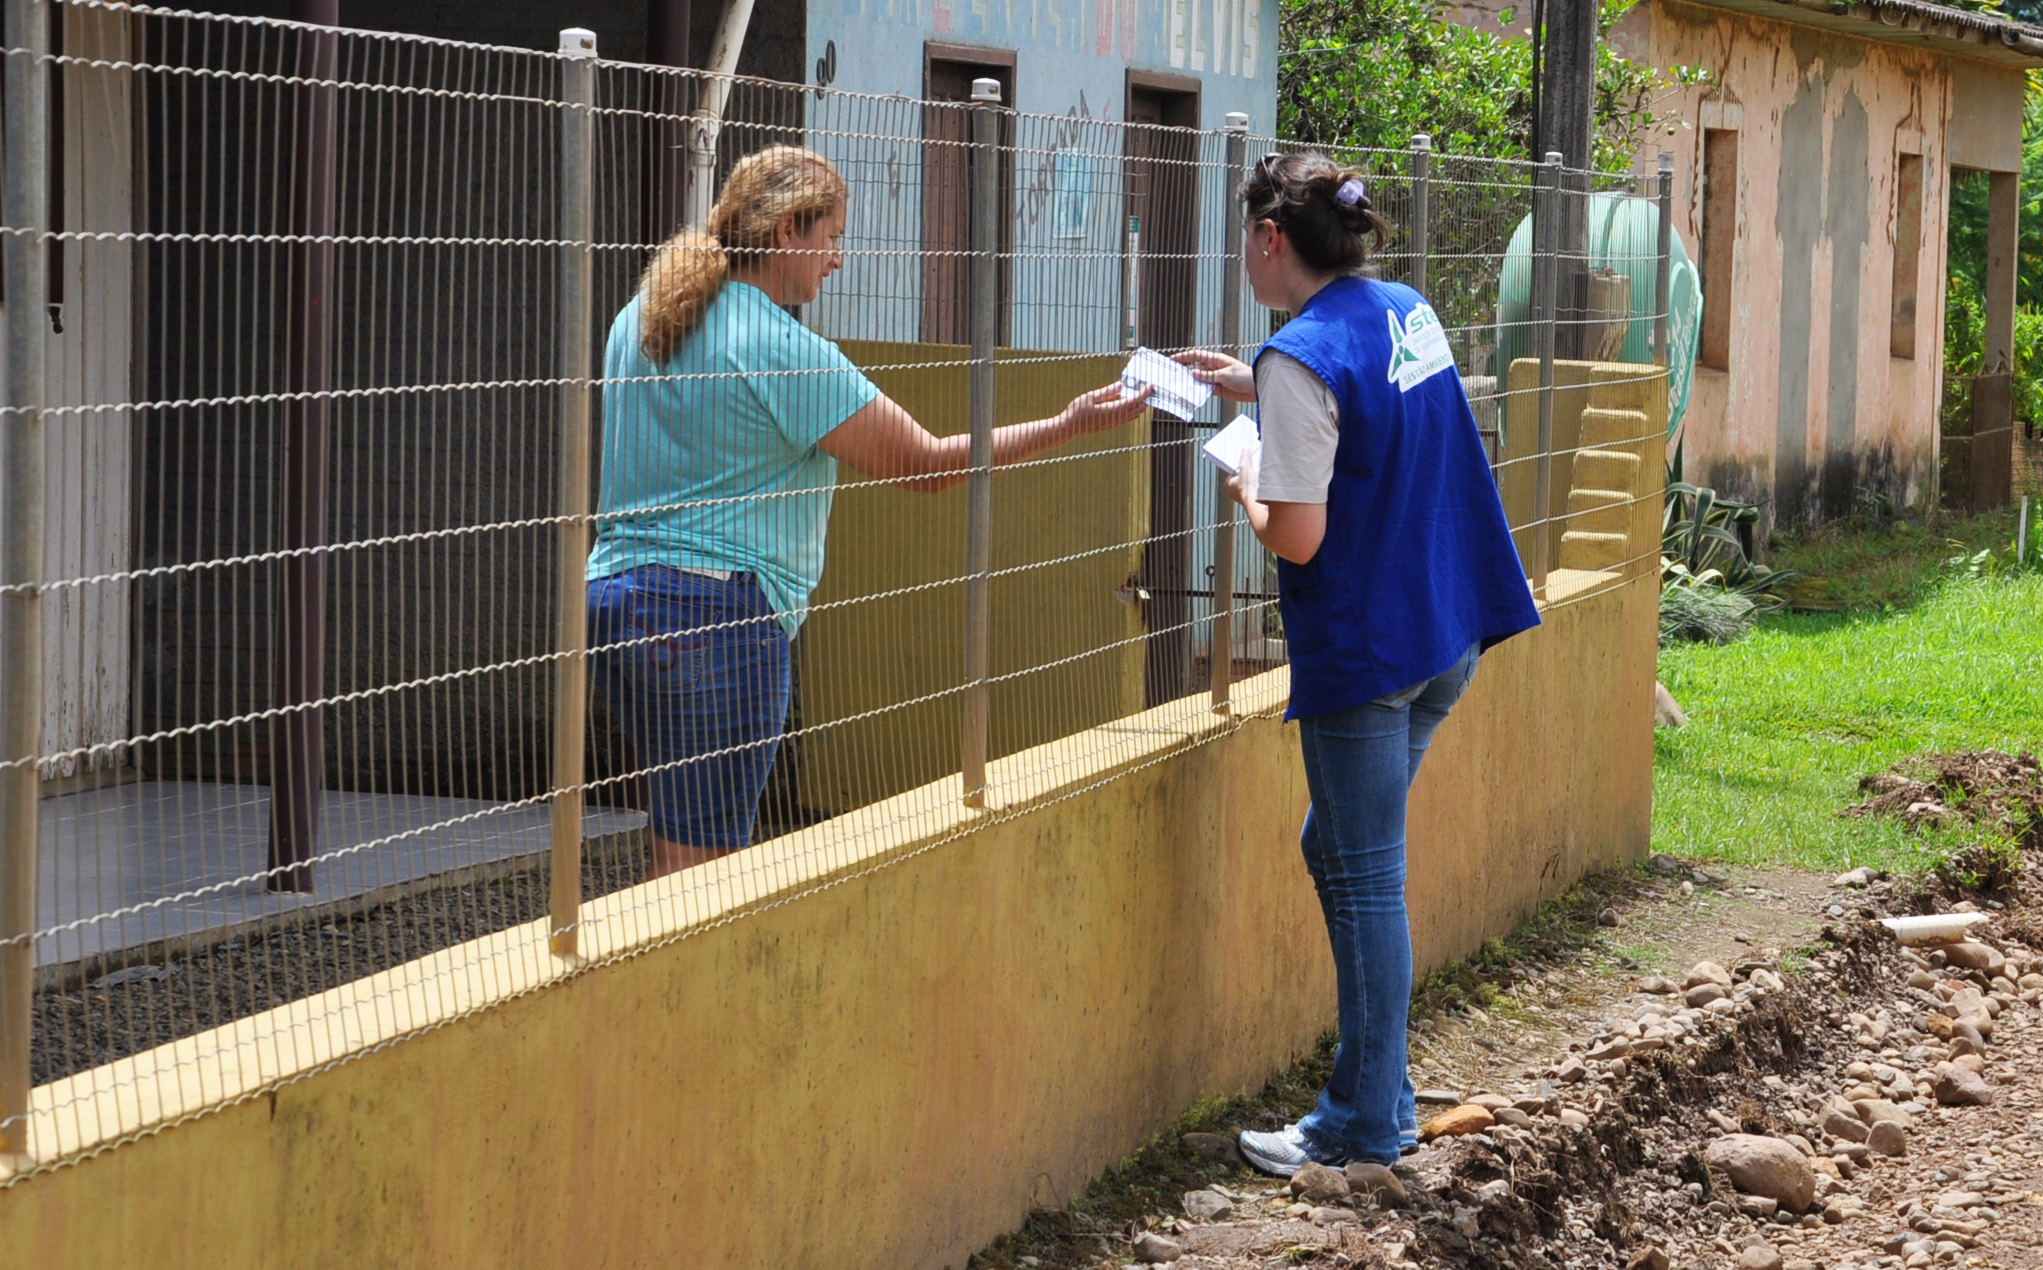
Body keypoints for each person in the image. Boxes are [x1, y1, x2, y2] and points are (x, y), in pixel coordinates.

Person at [590, 145, 1149, 879]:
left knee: (675, 841)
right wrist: (1066, 425)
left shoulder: (644, 317)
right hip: (714, 622)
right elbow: (923, 463)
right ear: (788, 231)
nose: (839, 259)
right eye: (833, 237)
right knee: (705, 883)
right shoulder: (780, 347)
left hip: (613, 609)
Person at [1173, 152, 1541, 1176]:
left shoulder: (1301, 356)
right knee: (1334, 851)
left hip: (1367, 651)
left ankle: (1365, 1122)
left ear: (1268, 239)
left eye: (1244, 237)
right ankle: (1372, 1095)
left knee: (1369, 879)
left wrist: (1245, 466)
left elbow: (1295, 536)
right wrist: (1261, 385)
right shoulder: (1407, 309)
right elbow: (1374, 401)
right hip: (1447, 629)